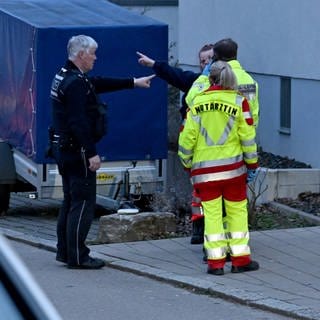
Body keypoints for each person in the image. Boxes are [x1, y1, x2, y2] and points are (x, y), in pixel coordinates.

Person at [49, 35, 155, 269]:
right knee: (83, 203)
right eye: (93, 53)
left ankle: (65, 252)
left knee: (71, 201)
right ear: (81, 55)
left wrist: (133, 82)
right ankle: (78, 256)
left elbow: (95, 83)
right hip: (75, 150)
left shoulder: (65, 75)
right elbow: (78, 122)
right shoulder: (74, 82)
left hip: (62, 147)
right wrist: (91, 153)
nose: (96, 57)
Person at [178, 60, 259, 275]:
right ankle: (241, 260)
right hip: (234, 171)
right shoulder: (239, 102)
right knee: (236, 213)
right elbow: (248, 138)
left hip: (205, 174)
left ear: (209, 79)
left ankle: (216, 264)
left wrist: (187, 164)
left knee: (212, 215)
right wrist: (252, 164)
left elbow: (186, 140)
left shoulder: (196, 104)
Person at [137, 44, 214, 245]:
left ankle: (209, 234)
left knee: (210, 194)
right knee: (199, 192)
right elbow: (175, 74)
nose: (205, 63)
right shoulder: (197, 82)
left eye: (209, 59)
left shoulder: (220, 84)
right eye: (202, 60)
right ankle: (199, 230)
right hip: (200, 150)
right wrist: (153, 64)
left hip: (212, 151)